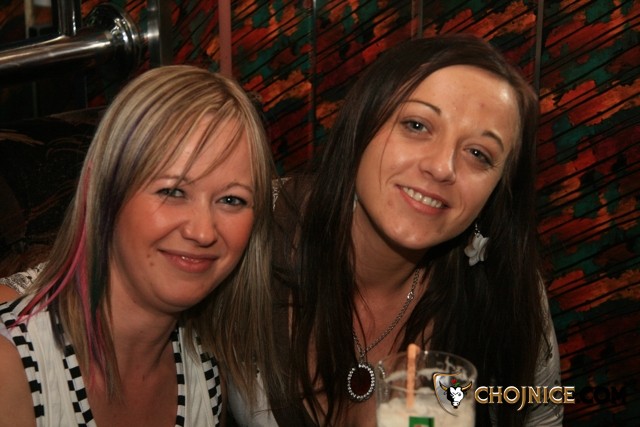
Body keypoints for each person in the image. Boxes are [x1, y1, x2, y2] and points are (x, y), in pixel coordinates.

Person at [262, 34, 562, 426]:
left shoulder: (508, 291)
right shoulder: (254, 228)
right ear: (363, 124)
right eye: (417, 125)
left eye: (478, 153)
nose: (442, 167)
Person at [0, 65, 282, 426]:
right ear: (106, 194)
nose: (203, 232)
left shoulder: (205, 373)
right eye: (173, 191)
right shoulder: (12, 370)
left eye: (232, 200)